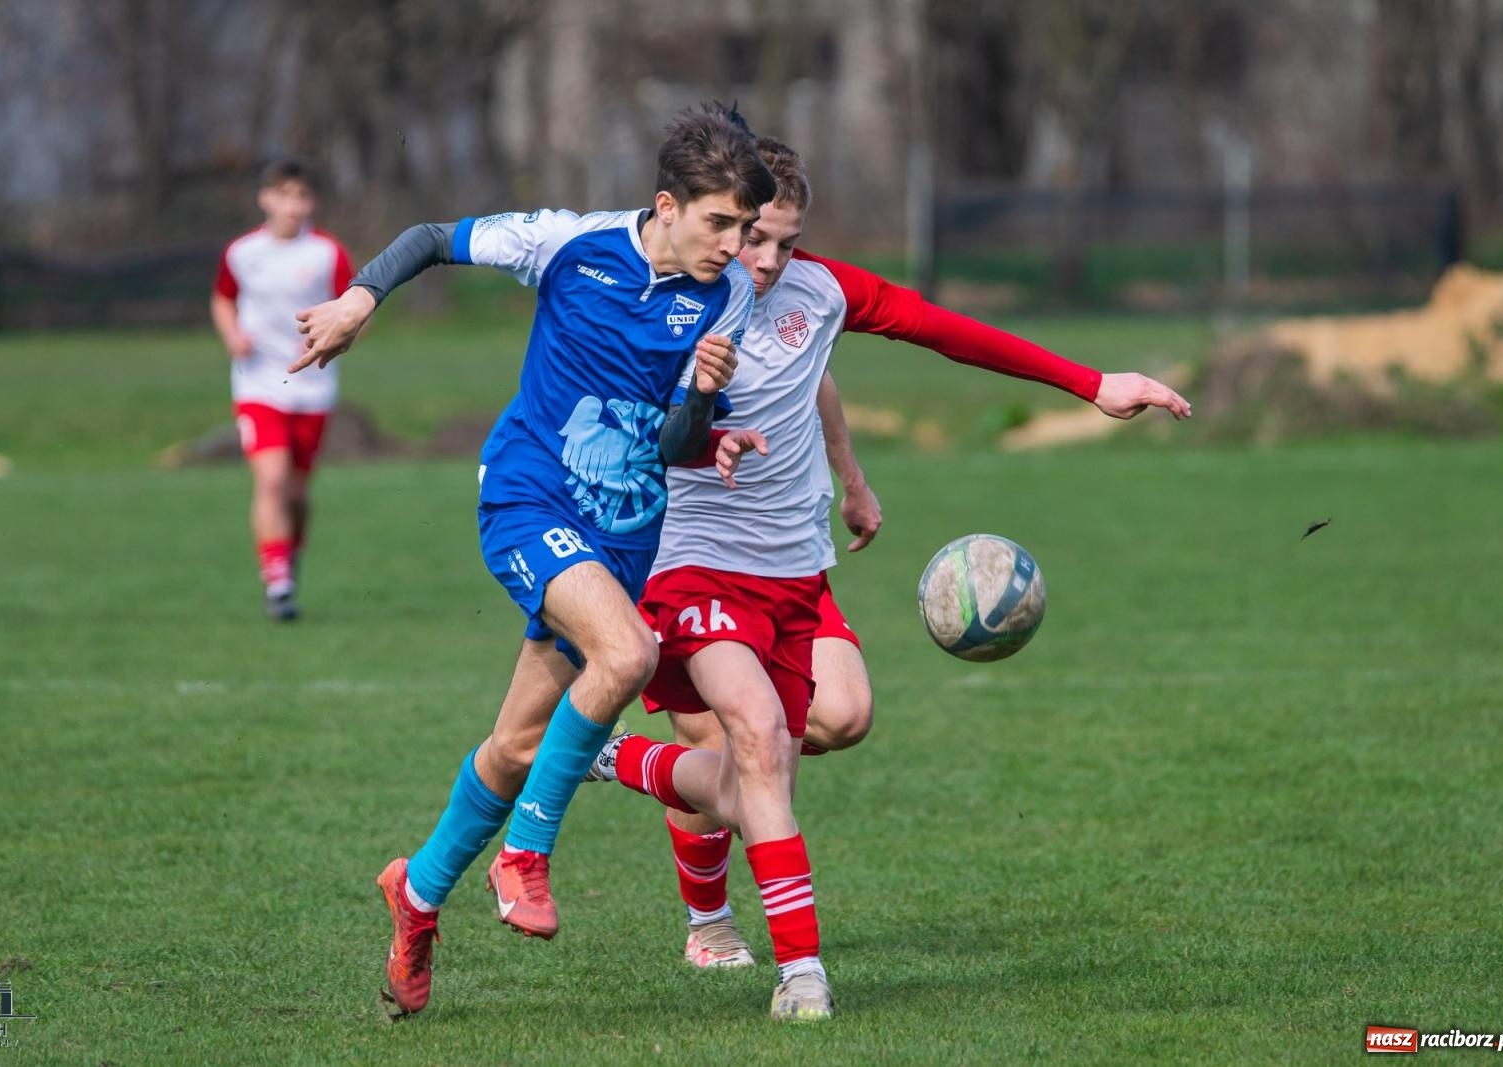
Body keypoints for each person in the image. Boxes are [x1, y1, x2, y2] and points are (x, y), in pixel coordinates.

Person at [585, 137, 1193, 1020]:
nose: (766, 261)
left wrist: (1089, 381)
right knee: (748, 742)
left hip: (792, 566)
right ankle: (741, 939)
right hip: (686, 561)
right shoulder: (665, 299)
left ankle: (609, 760)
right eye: (752, 237)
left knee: (834, 721)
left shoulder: (815, 293)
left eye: (787, 243)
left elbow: (930, 337)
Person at [290, 103, 776, 1020]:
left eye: (745, 227)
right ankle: (527, 852)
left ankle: (419, 894)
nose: (735, 243)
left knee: (515, 745)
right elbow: (434, 237)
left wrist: (705, 398)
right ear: (667, 205)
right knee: (627, 656)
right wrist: (360, 298)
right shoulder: (568, 243)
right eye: (720, 222)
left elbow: (675, 442)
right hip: (529, 499)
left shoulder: (730, 297)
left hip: (624, 531)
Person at [210, 160, 354, 621]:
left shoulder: (327, 253)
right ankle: (277, 583)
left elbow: (357, 308)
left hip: (312, 387)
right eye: (285, 195)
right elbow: (223, 298)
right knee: (270, 481)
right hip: (257, 383)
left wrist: (332, 337)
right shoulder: (242, 253)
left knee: (296, 495)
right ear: (265, 198)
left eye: (303, 196)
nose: (294, 206)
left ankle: (286, 559)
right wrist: (232, 334)